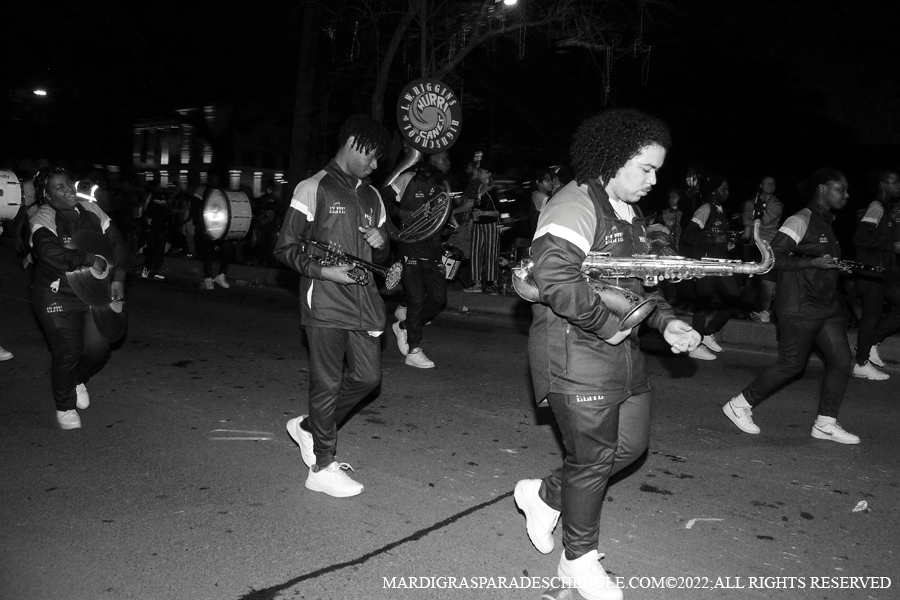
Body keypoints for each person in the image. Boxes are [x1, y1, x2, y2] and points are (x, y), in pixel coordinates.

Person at [514, 108, 700, 600]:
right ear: (614, 159)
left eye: (658, 169)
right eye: (646, 168)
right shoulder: (573, 203)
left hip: (623, 354)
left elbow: (636, 285)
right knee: (594, 459)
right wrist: (610, 327)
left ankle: (543, 494)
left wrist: (666, 321)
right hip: (574, 354)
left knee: (630, 447)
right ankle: (577, 561)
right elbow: (554, 278)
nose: (654, 180)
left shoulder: (630, 214)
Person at [274, 114, 391, 498]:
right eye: (372, 156)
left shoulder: (373, 195)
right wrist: (325, 272)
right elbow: (286, 248)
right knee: (327, 382)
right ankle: (321, 466)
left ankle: (309, 427)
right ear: (353, 142)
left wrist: (381, 240)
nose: (375, 165)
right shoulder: (313, 187)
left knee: (368, 378)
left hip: (365, 303)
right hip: (324, 300)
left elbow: (384, 248)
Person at [722, 168, 859, 445]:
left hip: (825, 305)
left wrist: (833, 266)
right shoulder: (801, 218)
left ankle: (825, 423)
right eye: (839, 189)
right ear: (822, 188)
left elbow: (817, 257)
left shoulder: (826, 221)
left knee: (842, 359)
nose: (846, 195)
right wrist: (813, 263)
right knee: (791, 365)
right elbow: (771, 258)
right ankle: (740, 404)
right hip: (798, 305)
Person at [29, 165, 126, 430]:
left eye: (69, 183)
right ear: (47, 196)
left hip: (93, 292)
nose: (69, 189)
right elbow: (49, 253)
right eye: (59, 187)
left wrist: (118, 278)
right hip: (56, 294)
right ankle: (65, 406)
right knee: (67, 350)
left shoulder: (92, 210)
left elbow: (116, 243)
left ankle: (76, 380)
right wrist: (89, 259)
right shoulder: (43, 216)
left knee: (98, 349)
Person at [385, 151, 452, 369]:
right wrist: (401, 212)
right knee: (415, 299)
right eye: (445, 158)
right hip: (410, 247)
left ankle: (404, 326)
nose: (448, 162)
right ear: (433, 159)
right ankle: (413, 350)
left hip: (432, 248)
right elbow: (383, 200)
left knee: (439, 298)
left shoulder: (442, 185)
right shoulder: (408, 178)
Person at [681, 173, 741, 360]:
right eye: (723, 189)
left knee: (734, 297)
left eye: (728, 189)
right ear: (714, 190)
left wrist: (726, 243)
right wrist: (712, 239)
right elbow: (688, 236)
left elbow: (719, 236)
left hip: (721, 263)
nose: (727, 193)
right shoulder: (705, 209)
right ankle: (695, 344)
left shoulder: (721, 210)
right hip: (706, 263)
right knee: (703, 301)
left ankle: (707, 332)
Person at [850, 170, 900, 381]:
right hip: (871, 272)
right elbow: (859, 238)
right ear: (883, 185)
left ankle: (871, 342)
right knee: (870, 316)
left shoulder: (887, 210)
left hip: (885, 273)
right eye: (894, 182)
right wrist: (891, 246)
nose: (899, 185)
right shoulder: (876, 207)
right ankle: (861, 363)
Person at [741, 175, 783, 323]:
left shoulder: (777, 204)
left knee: (767, 277)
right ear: (760, 185)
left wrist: (754, 219)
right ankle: (747, 310)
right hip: (751, 244)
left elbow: (764, 220)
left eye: (773, 183)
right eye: (767, 183)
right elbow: (746, 218)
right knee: (750, 277)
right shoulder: (750, 202)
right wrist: (756, 218)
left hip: (768, 244)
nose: (771, 185)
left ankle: (765, 311)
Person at [462, 158, 501, 294]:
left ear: (488, 173)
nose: (478, 173)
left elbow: (498, 212)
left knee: (491, 254)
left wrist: (484, 212)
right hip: (478, 224)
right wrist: (470, 226)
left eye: (481, 171)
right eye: (479, 170)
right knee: (476, 254)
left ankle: (492, 284)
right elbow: (474, 208)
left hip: (490, 225)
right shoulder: (480, 188)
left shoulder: (493, 190)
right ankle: (477, 284)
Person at [140, 189, 169, 281]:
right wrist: (146, 220)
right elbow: (144, 209)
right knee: (151, 248)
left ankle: (157, 271)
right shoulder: (150, 195)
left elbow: (167, 210)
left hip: (162, 226)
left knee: (160, 248)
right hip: (152, 227)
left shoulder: (164, 195)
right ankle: (146, 269)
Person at [529, 166, 555, 236]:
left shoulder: (537, 195)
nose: (551, 183)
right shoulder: (540, 197)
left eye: (551, 180)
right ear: (538, 182)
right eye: (547, 180)